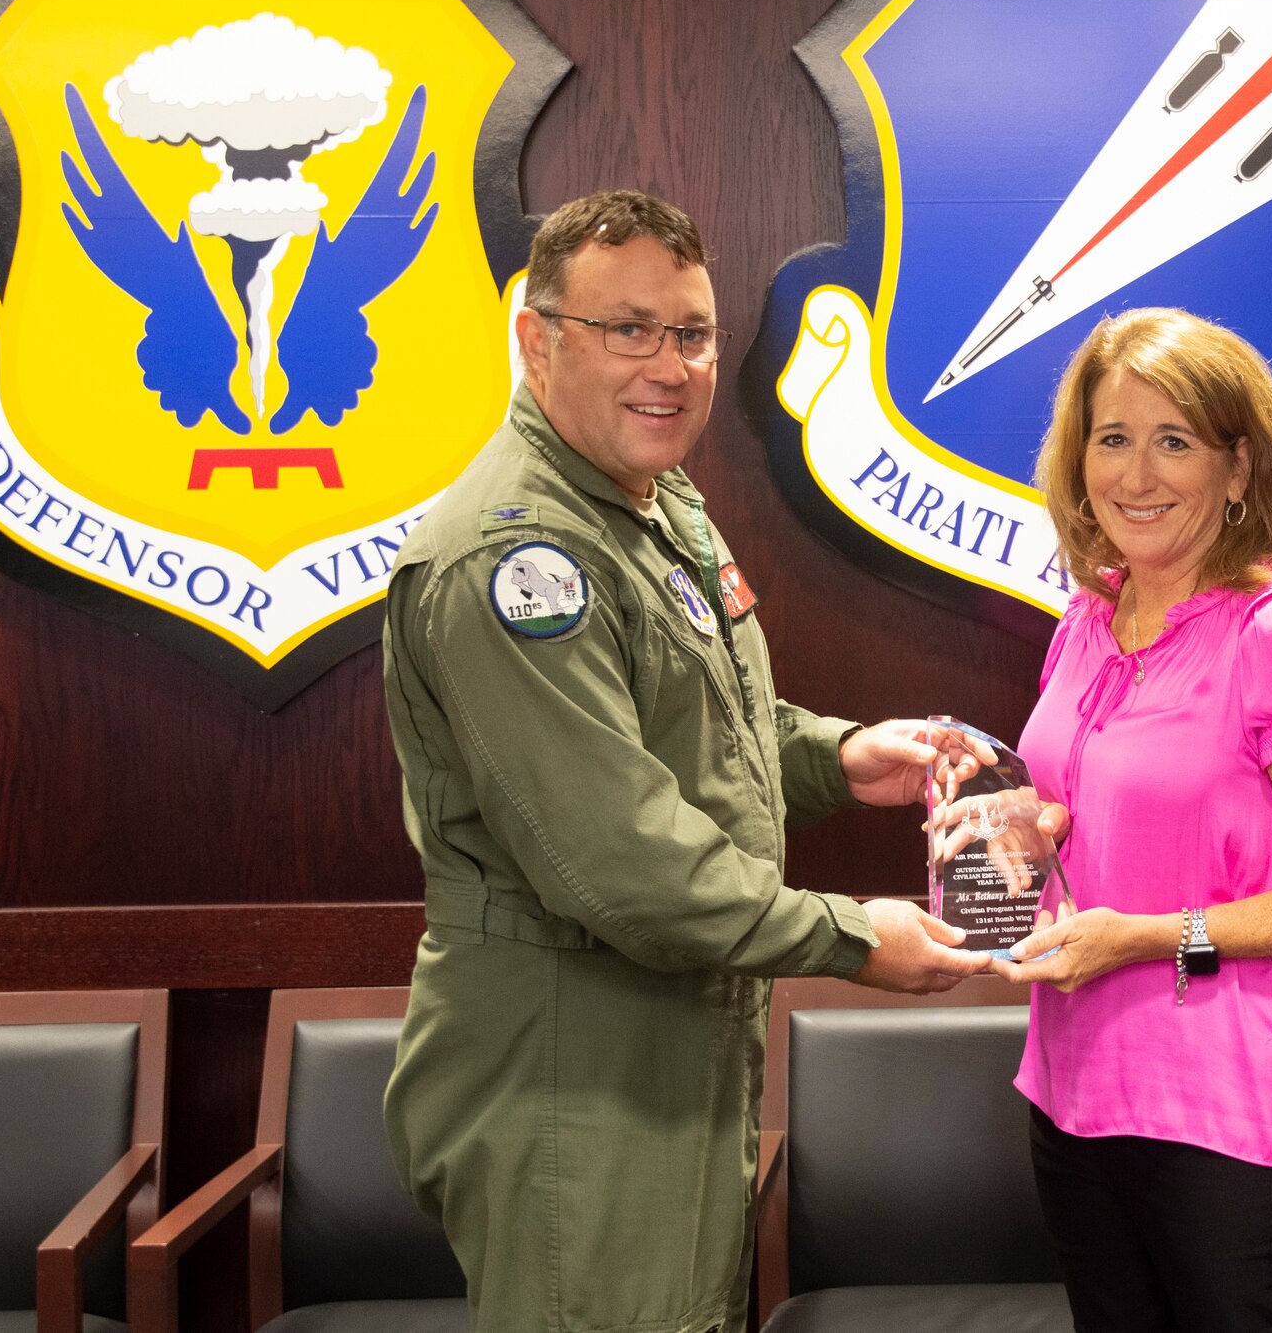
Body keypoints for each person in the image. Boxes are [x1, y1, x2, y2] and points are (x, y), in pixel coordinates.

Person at [379, 190, 990, 1333]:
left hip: (667, 1053)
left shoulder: (646, 506)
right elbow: (619, 860)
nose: (669, 365)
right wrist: (853, 939)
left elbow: (696, 726)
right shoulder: (516, 561)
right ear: (536, 336)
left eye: (692, 333)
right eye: (628, 329)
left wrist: (839, 756)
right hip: (574, 1068)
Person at [993, 308, 1272, 1333]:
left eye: (1172, 441)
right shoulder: (1089, 618)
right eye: (1112, 438)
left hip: (1232, 1124)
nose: (1136, 474)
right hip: (1072, 1093)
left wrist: (1147, 939)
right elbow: (1106, 807)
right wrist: (1025, 829)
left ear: (1236, 469)